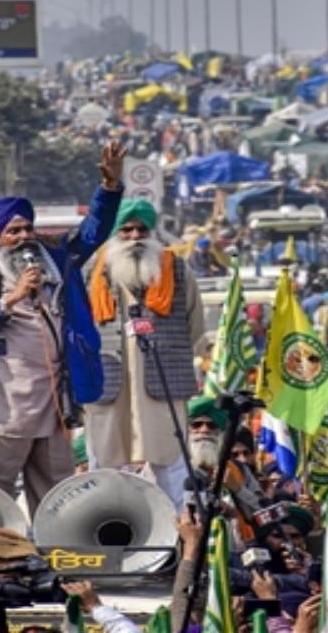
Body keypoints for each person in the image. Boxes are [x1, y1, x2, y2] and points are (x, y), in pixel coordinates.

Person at [0, 142, 126, 512]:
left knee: (56, 492)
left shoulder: (58, 255)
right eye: (13, 231)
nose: (24, 237)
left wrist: (109, 187)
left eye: (28, 228)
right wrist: (10, 299)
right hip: (5, 401)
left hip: (55, 396)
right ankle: (2, 559)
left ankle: (56, 557)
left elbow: (95, 229)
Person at [83, 198, 206, 505]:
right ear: (115, 234)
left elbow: (195, 324)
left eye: (141, 229)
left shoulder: (176, 269)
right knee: (106, 458)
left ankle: (180, 532)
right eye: (126, 230)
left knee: (171, 461)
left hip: (163, 378)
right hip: (109, 379)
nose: (135, 236)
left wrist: (172, 351)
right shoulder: (92, 272)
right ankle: (108, 523)